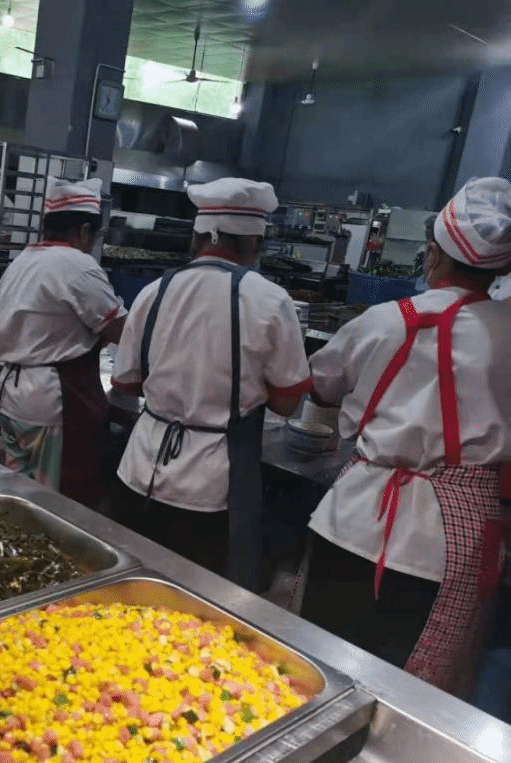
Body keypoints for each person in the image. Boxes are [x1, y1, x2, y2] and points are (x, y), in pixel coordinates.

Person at [298, 177, 511, 698]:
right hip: (446, 541)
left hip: (349, 521)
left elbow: (321, 387)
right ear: (501, 270)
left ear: (433, 254)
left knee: (318, 665)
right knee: (408, 693)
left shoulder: (383, 321)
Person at [111, 178, 310, 591]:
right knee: (196, 601)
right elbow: (289, 403)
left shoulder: (153, 292)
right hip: (213, 486)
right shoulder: (271, 300)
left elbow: (126, 385)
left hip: (140, 471)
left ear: (198, 238)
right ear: (253, 242)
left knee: (131, 587)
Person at [0, 178, 126, 507]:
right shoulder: (79, 266)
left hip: (10, 397)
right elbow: (122, 332)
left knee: (19, 496)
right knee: (53, 503)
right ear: (84, 230)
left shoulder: (22, 261)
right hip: (50, 404)